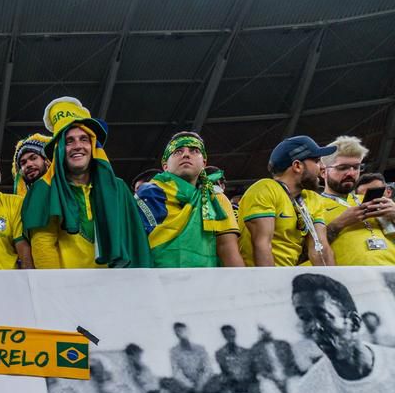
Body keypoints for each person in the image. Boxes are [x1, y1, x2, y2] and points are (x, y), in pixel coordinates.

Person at [22, 97, 152, 269]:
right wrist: (55, 290)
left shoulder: (117, 188)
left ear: (93, 147)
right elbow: (43, 245)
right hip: (67, 290)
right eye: (69, 141)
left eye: (84, 139)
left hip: (113, 288)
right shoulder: (44, 190)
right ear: (59, 149)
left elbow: (133, 240)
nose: (77, 146)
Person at [135, 132, 243, 267]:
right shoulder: (147, 195)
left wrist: (242, 286)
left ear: (204, 163)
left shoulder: (216, 199)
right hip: (154, 281)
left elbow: (228, 250)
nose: (186, 155)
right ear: (165, 165)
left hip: (205, 284)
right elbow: (133, 242)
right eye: (177, 151)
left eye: (194, 151)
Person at [237, 135, 335, 266]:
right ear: (297, 166)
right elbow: (262, 245)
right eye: (317, 161)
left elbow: (320, 247)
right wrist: (271, 285)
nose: (323, 167)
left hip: (286, 279)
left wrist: (333, 284)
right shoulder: (265, 189)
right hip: (256, 281)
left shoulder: (312, 198)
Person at [316, 143, 395, 266]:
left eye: (356, 167)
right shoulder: (310, 204)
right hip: (351, 280)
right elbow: (302, 251)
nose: (351, 173)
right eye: (342, 167)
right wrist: (338, 224)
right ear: (323, 171)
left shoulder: (372, 200)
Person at [167, 322, 214, 393]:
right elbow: (176, 372)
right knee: (168, 383)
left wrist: (200, 385)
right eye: (177, 332)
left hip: (204, 382)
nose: (180, 334)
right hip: (185, 385)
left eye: (182, 331)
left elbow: (208, 369)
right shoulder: (174, 351)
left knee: (217, 380)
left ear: (188, 331)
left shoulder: (200, 348)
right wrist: (190, 386)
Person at [215, 325, 254, 390]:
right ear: (224, 336)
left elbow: (250, 368)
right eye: (227, 335)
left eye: (231, 335)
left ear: (235, 333)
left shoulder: (246, 352)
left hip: (247, 381)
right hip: (232, 383)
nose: (230, 337)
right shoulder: (220, 353)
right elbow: (224, 370)